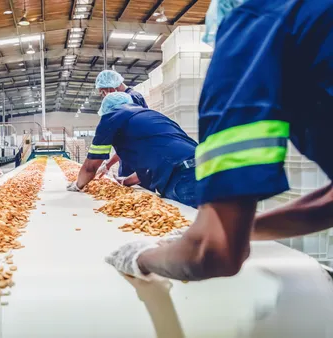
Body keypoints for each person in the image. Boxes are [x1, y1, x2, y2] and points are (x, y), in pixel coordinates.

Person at [105, 0, 333, 282]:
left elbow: (213, 254)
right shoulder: (313, 18)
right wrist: (245, 228)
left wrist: (140, 258)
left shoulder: (252, 31)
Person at [67, 92, 198, 208]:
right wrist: (124, 181)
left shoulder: (111, 118)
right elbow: (150, 165)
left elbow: (91, 167)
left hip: (185, 177)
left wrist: (78, 185)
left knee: (198, 229)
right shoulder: (151, 115)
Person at [95, 70, 148, 180]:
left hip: (136, 165)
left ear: (110, 88)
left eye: (103, 92)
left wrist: (108, 164)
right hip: (128, 161)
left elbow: (130, 140)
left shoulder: (129, 100)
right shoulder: (128, 98)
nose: (105, 96)